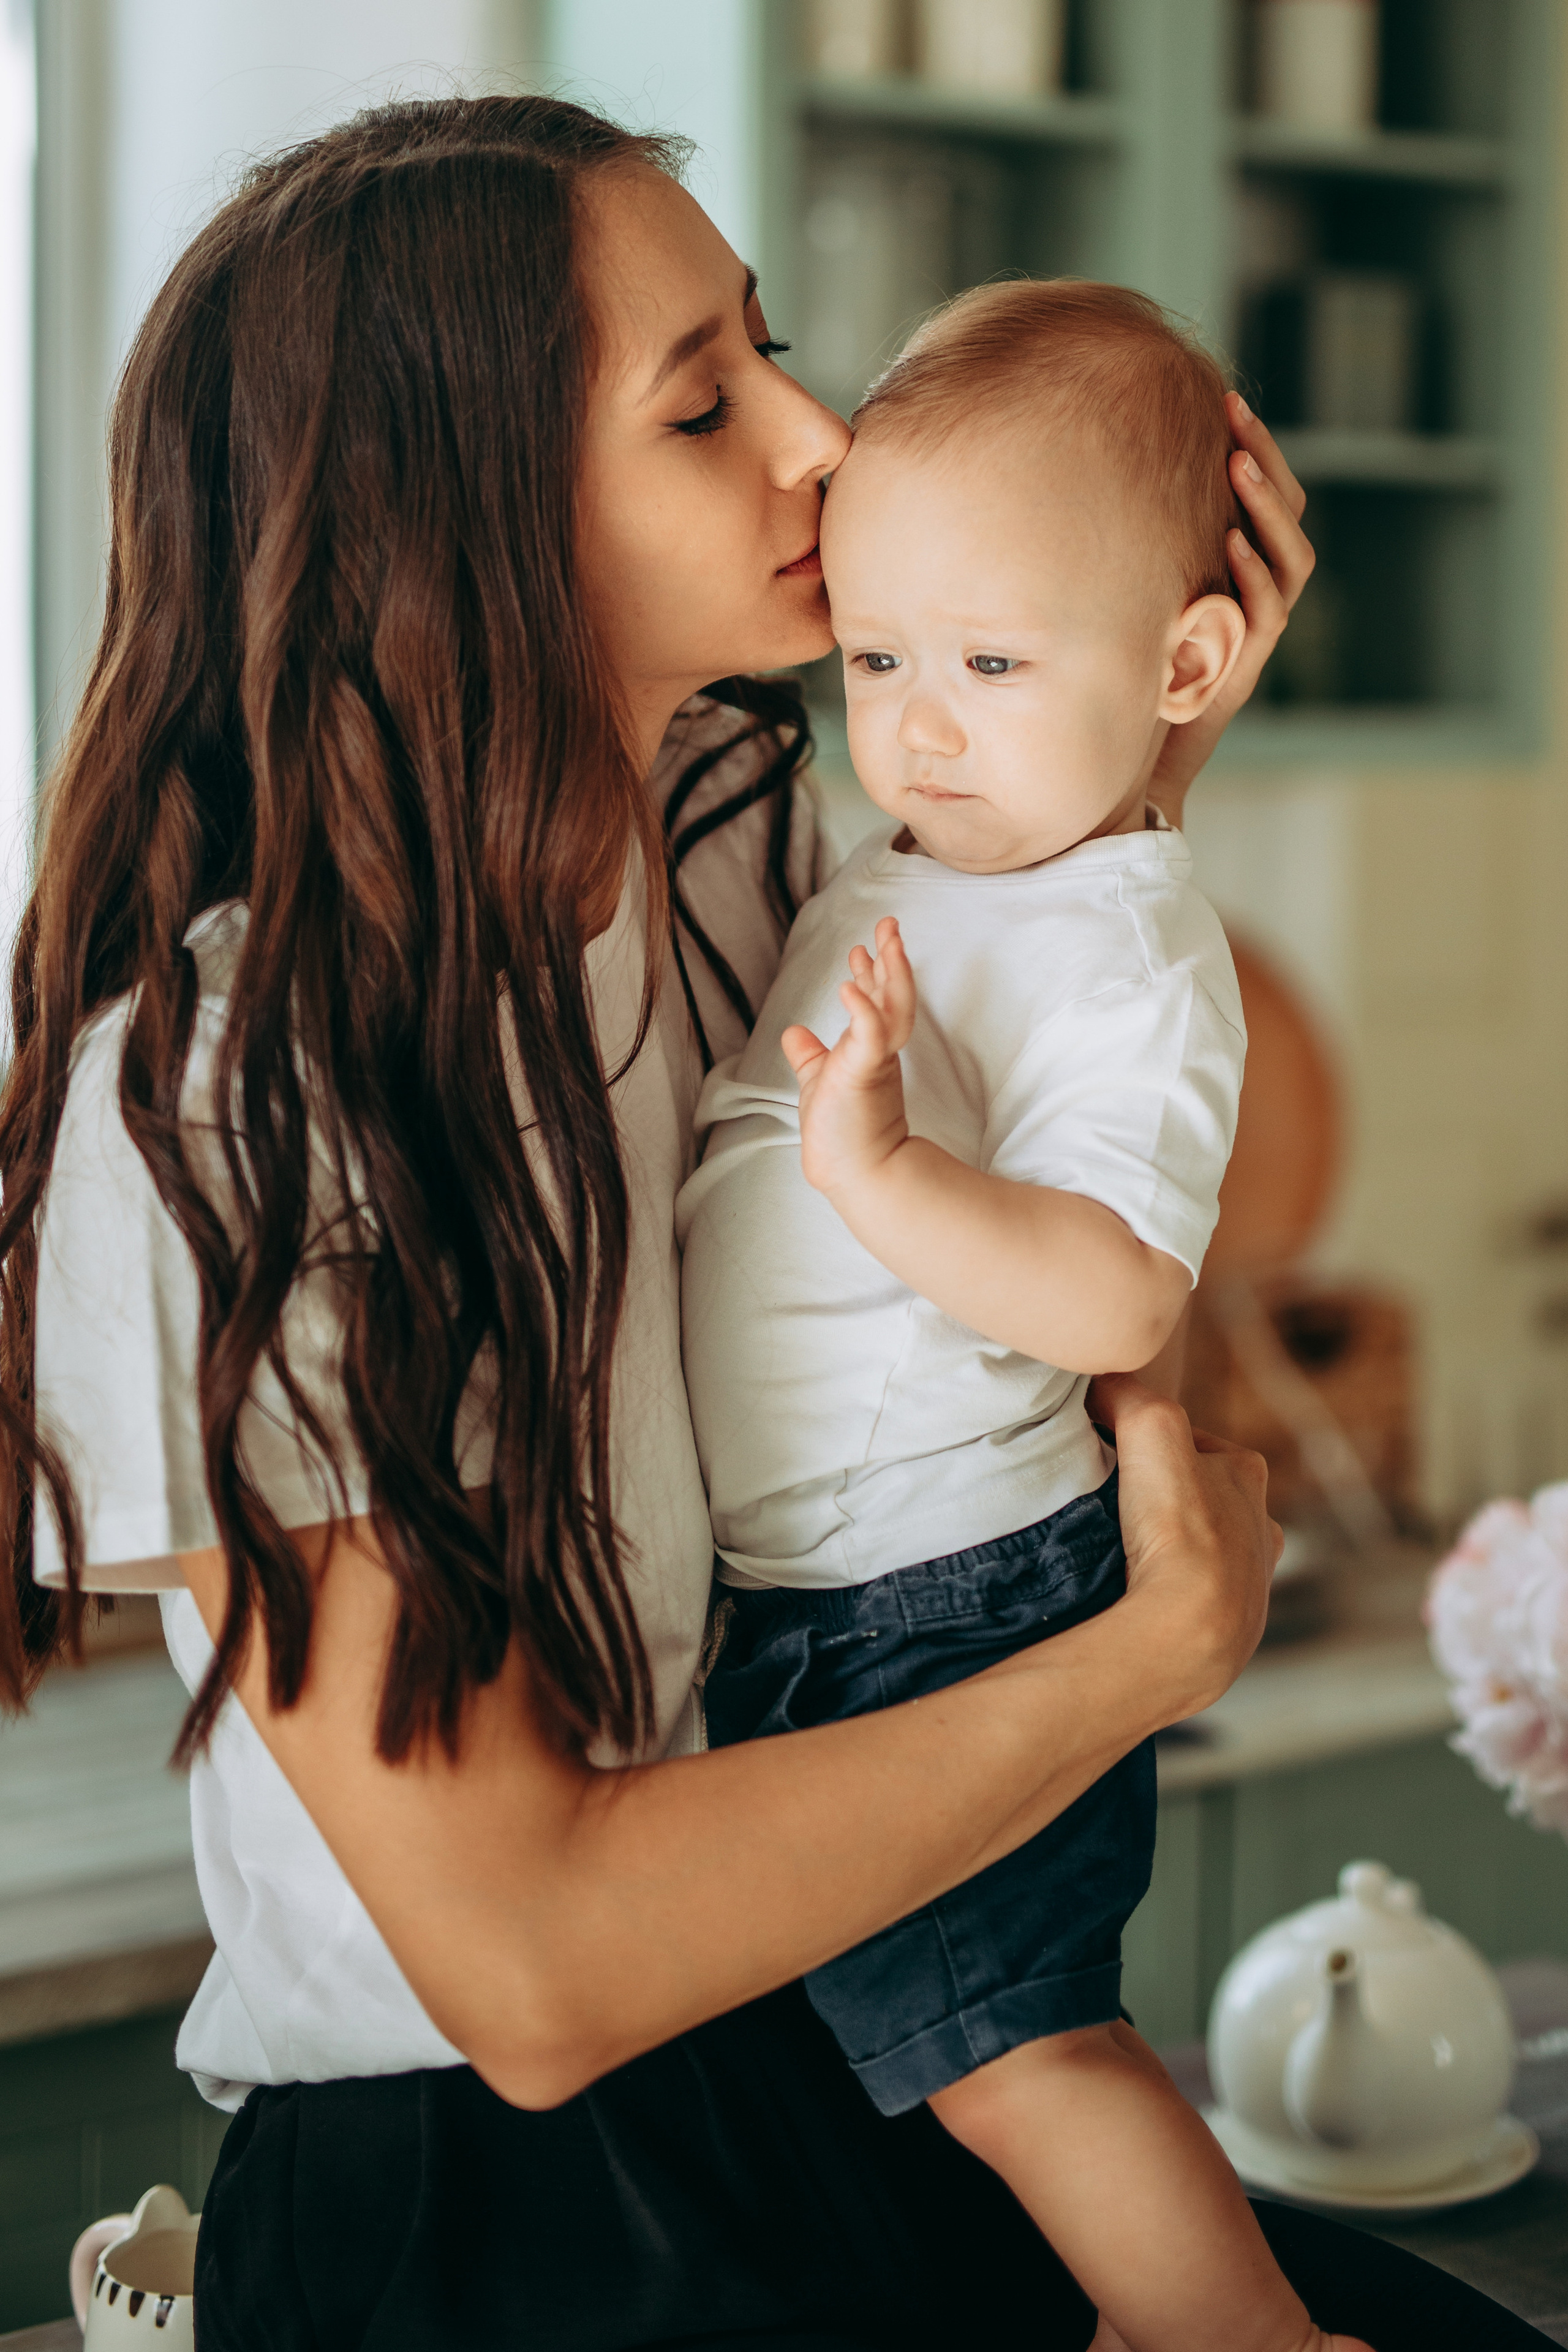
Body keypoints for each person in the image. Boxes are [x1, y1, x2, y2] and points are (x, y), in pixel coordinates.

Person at [0, 94, 1548, 2352]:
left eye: (774, 348)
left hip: (832, 2031)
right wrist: (1152, 1654)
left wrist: (1128, 751)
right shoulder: (234, 1102)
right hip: (501, 2200)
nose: (823, 439)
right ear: (458, 514)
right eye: (702, 403)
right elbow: (536, 1975)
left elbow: (988, 1225)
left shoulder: (730, 824)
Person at [683, 279, 1359, 2352]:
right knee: (944, 2068)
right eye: (878, 656)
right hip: (839, 1587)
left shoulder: (1135, 959)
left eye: (989, 662)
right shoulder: (946, 851)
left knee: (1017, 2052)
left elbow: (1120, 1283)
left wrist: (884, 1175)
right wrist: (1111, 728)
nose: (918, 724)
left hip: (944, 1597)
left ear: (1188, 661)